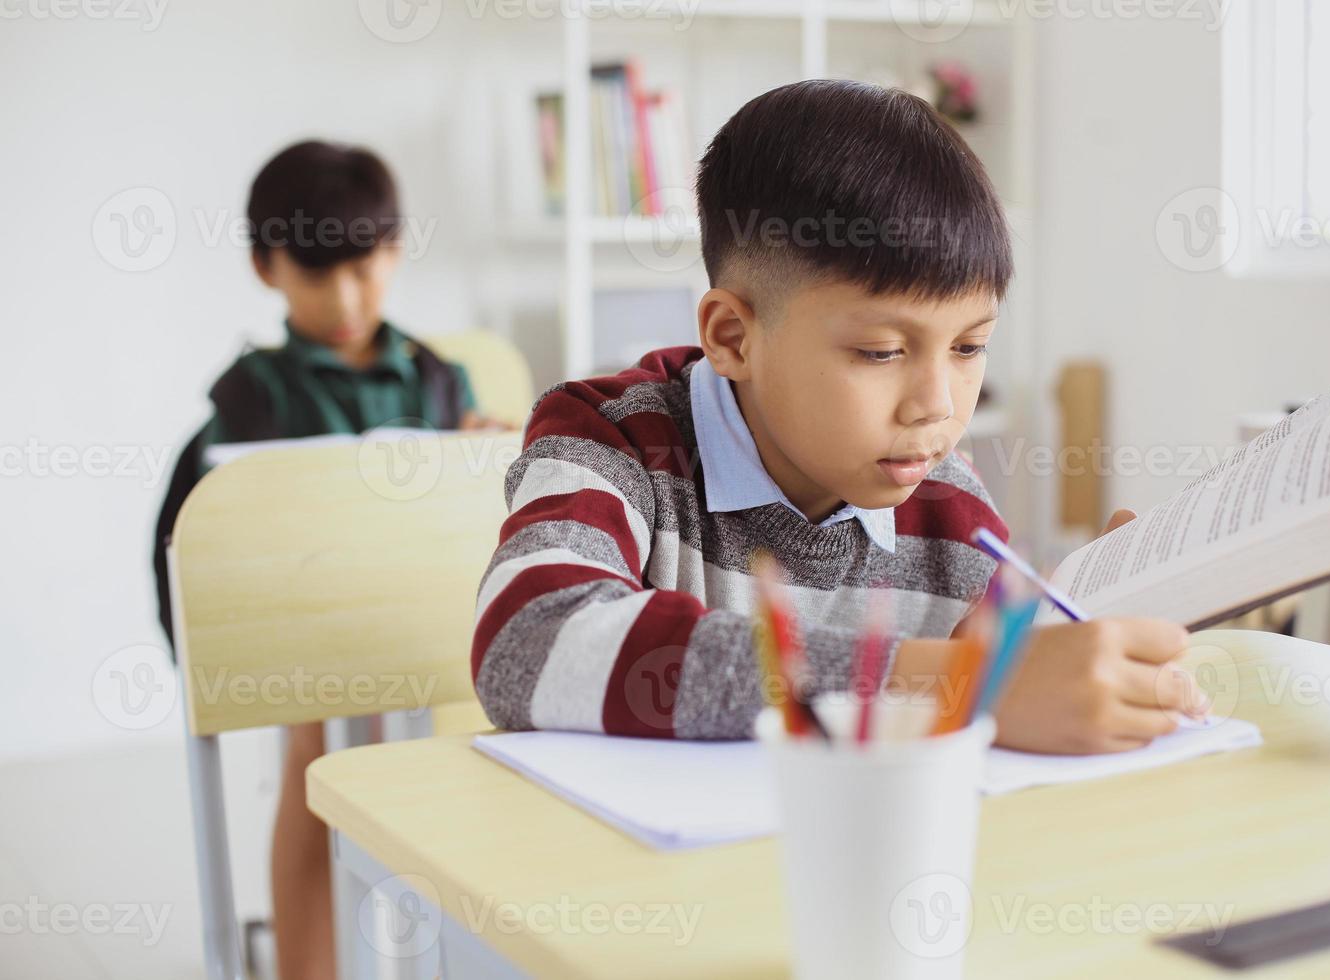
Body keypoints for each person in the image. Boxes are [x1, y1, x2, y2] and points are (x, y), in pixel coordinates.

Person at [469, 80, 1206, 754]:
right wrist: (952, 683)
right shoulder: (610, 441)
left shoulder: (950, 505)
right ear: (732, 337)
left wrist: (1066, 646)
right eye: (882, 351)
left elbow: (991, 715)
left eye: (969, 346)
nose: (938, 405)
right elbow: (528, 643)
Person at [152, 140, 504, 980]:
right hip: (312, 635)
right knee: (317, 768)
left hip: (430, 626)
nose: (346, 298)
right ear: (266, 267)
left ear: (394, 250)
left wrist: (479, 452)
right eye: (318, 275)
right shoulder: (252, 391)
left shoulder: (437, 376)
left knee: (445, 779)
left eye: (364, 266)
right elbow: (208, 525)